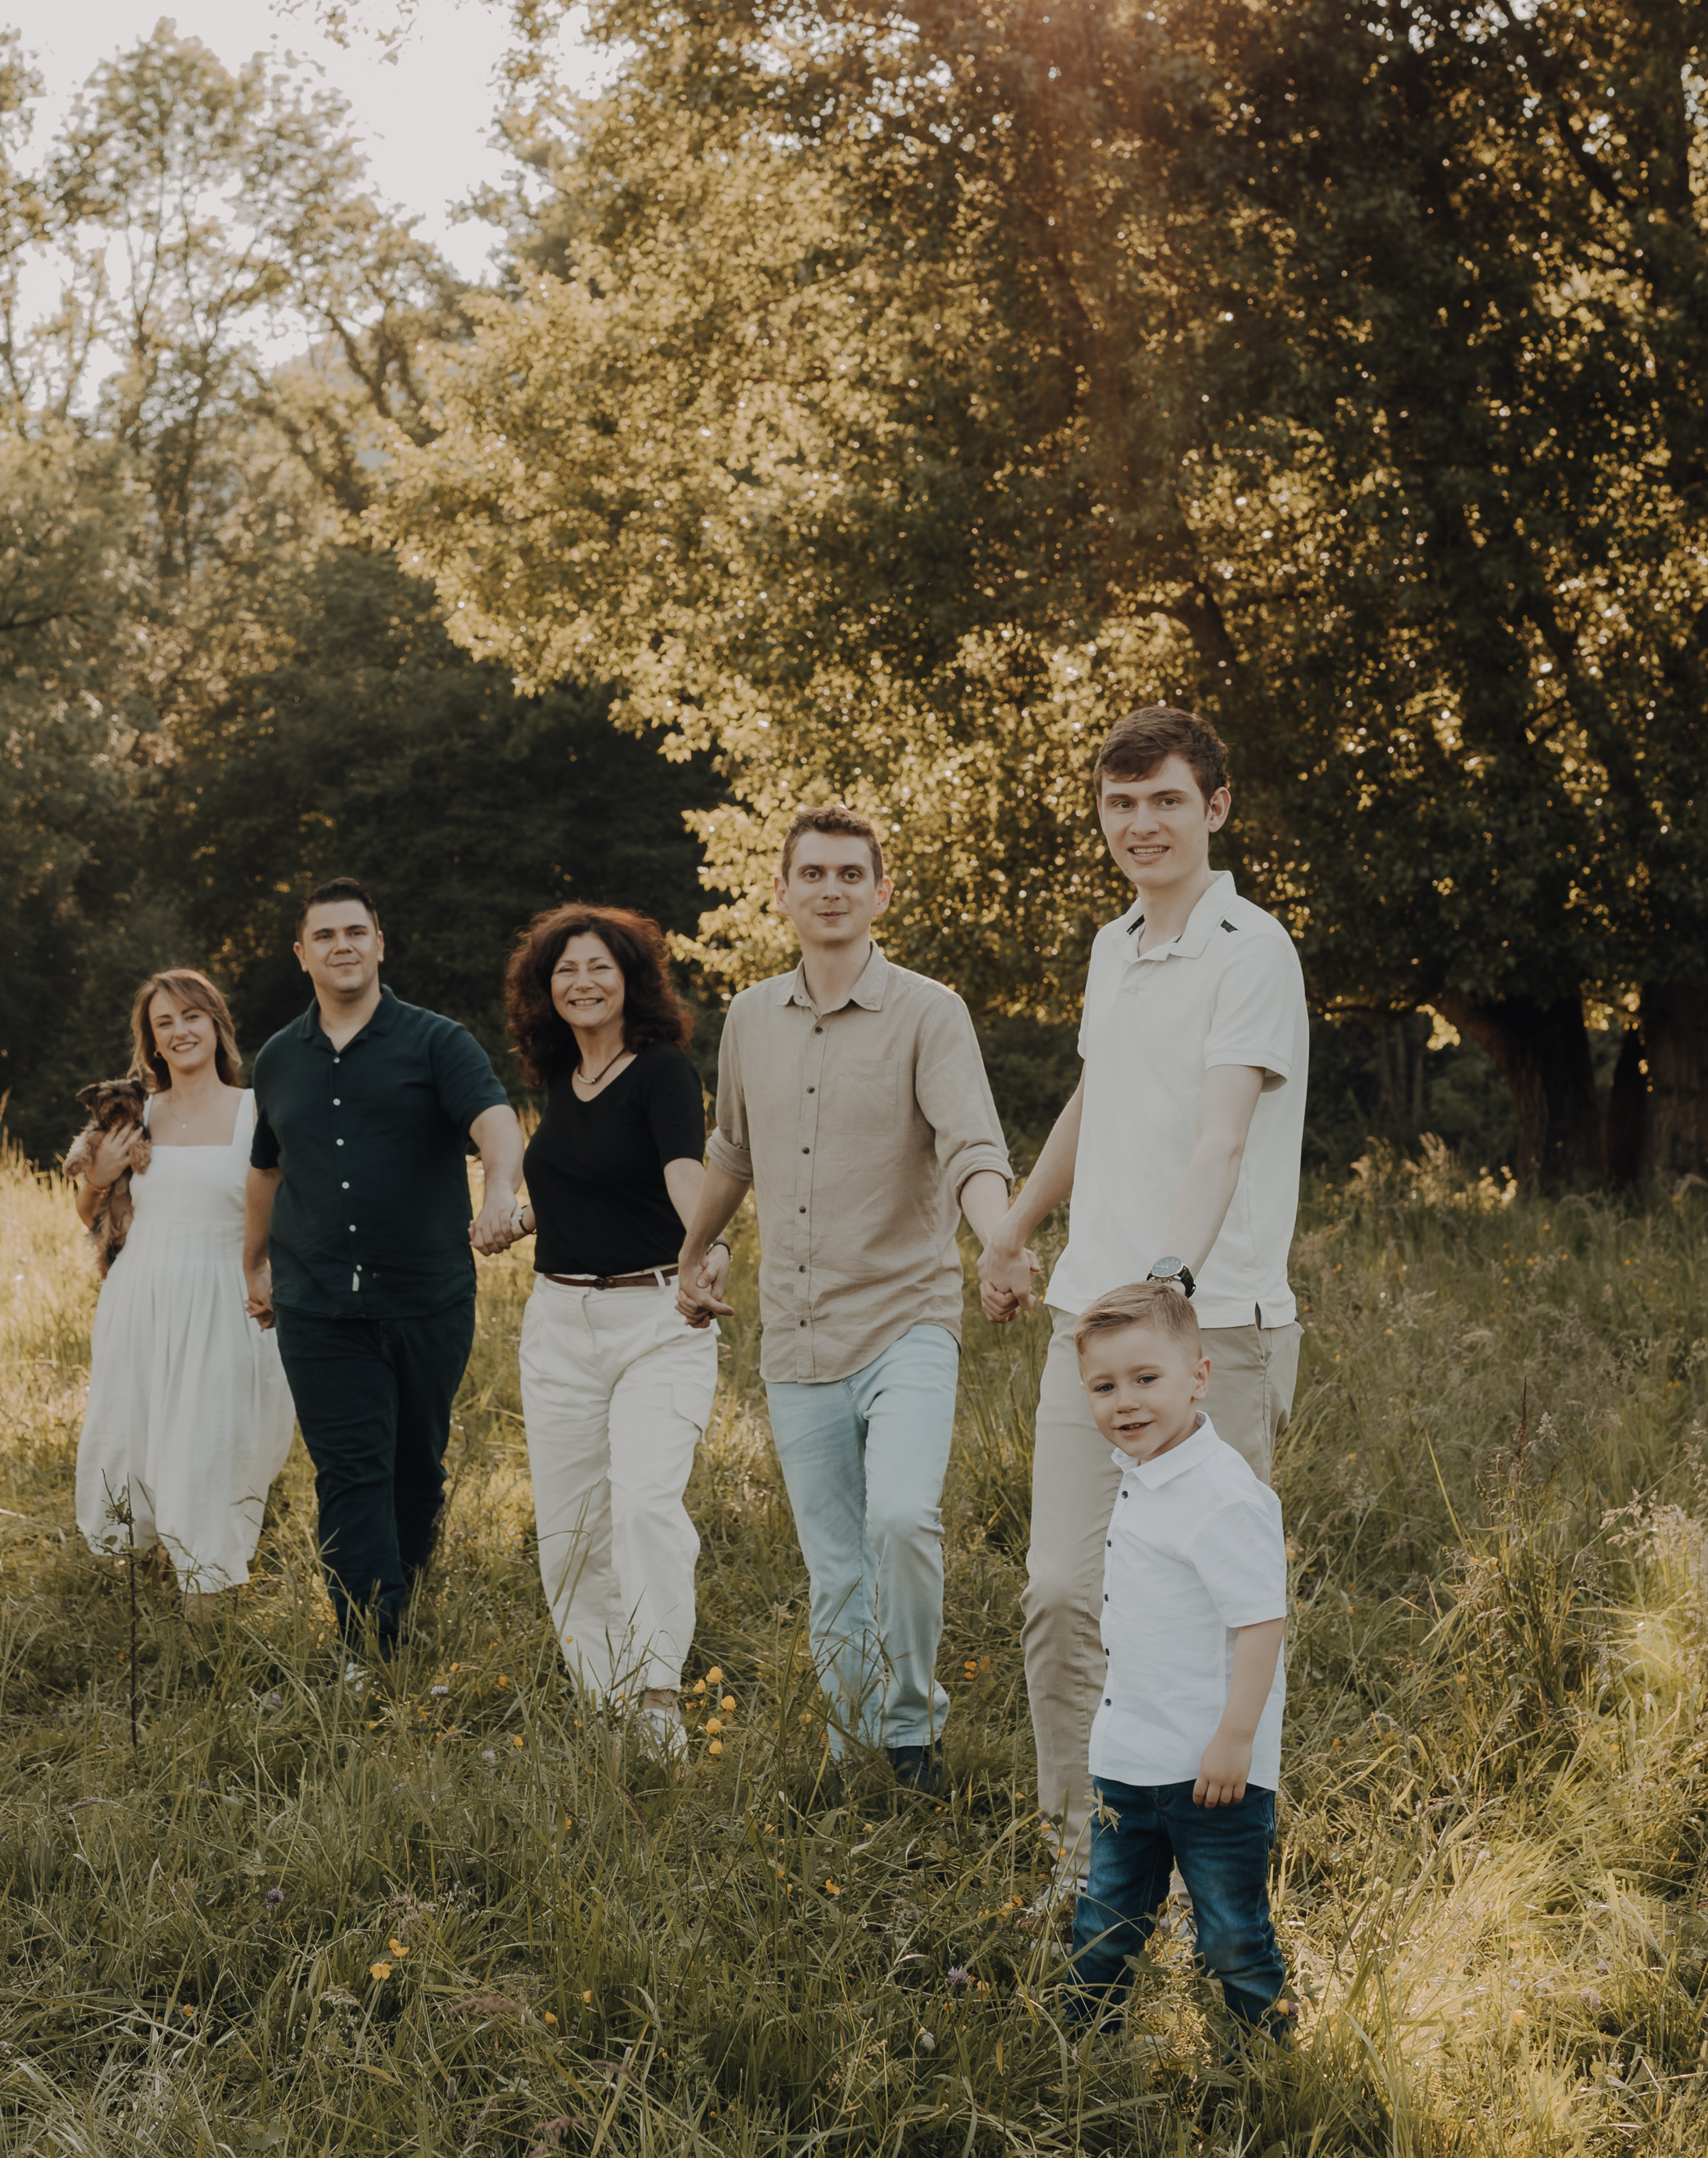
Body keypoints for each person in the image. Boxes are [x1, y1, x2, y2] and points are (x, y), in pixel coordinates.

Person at [978, 705, 1307, 1894]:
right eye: (1120, 804)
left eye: (1165, 799)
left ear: (1213, 808)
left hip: (1209, 1324)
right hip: (1090, 1325)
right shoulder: (1111, 943)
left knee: (1213, 1609)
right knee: (1064, 1590)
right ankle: (1085, 1861)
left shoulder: (1248, 948)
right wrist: (1015, 1226)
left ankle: (1223, 1872)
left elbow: (1220, 1137)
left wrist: (1167, 1283)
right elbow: (1092, 1100)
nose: (1140, 823)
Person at [675, 806, 1014, 1786]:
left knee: (901, 1519)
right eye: (812, 873)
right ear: (779, 892)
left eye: (850, 874)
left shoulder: (929, 1011)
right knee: (834, 1563)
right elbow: (731, 1151)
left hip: (906, 1318)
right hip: (796, 1332)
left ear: (881, 893)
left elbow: (972, 1148)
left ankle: (912, 1730)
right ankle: (855, 1742)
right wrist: (696, 1253)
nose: (831, 889)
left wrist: (998, 1239)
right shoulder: (746, 1017)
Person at [243, 879, 526, 1664]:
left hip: (426, 1296)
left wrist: (500, 1185)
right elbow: (266, 1172)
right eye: (325, 935)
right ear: (302, 955)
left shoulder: (437, 1041)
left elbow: (495, 1121)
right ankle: (369, 1644)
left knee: (413, 1468)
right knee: (350, 1467)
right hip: (317, 1302)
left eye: (355, 932)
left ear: (379, 943)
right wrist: (254, 1263)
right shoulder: (277, 1059)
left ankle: (398, 1587)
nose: (342, 946)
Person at [506, 904, 726, 1753]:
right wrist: (518, 1217)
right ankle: (606, 1706)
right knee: (568, 1531)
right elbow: (586, 1181)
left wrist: (708, 1250)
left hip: (659, 1315)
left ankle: (659, 1699)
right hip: (559, 1323)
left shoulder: (662, 1069)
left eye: (599, 967)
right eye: (565, 970)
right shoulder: (562, 1076)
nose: (582, 982)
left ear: (630, 978)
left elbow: (681, 1176)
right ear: (545, 988)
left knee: (641, 1505)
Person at [1062, 1281, 1293, 2039]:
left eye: (1146, 1379)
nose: (1125, 1402)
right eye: (1104, 1386)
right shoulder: (1147, 1475)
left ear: (1199, 1375)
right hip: (1130, 1760)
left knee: (1230, 1932)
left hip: (1214, 1773)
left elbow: (1261, 1623)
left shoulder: (1222, 1493)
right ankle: (1081, 2055)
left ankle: (1265, 2058)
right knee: (1106, 1921)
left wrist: (1235, 1739)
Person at [74, 971, 296, 1610]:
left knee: (213, 1445)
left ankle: (210, 1608)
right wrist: (100, 1175)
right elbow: (88, 1212)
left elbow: (289, 1205)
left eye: (191, 1017)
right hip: (141, 1295)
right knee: (138, 1437)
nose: (180, 1032)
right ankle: (148, 1601)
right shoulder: (136, 1113)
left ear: (217, 1025)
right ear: (151, 1041)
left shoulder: (257, 1108)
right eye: (164, 1023)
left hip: (225, 1294)